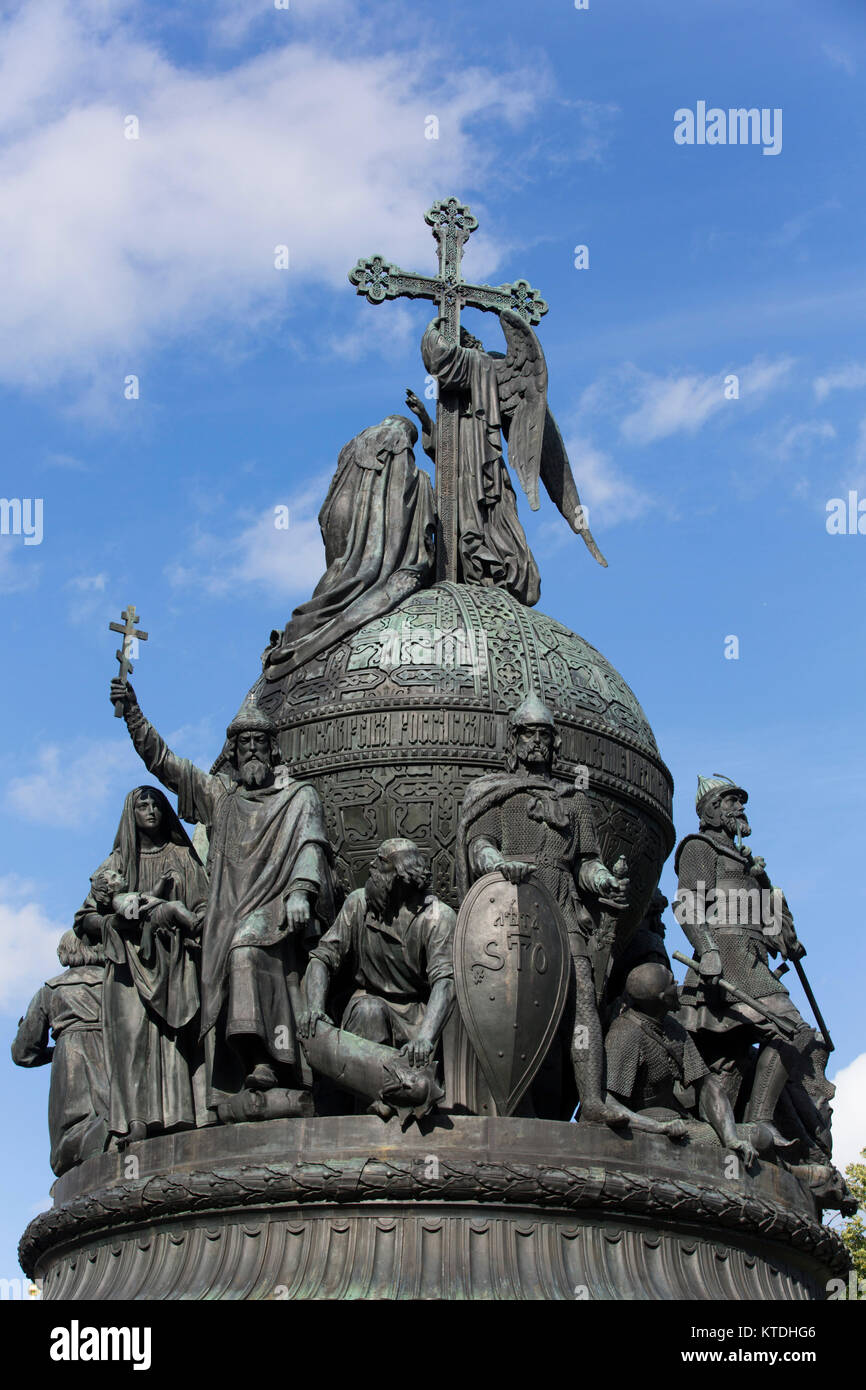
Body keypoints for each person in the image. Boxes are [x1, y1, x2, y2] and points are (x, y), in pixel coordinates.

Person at [110, 680, 335, 1109]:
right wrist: (134, 715)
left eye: (260, 743)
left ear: (274, 750)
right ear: (232, 753)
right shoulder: (221, 798)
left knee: (246, 947)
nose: (252, 751)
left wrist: (303, 891)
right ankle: (249, 1061)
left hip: (281, 910)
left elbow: (311, 845)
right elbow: (165, 764)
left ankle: (271, 1059)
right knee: (238, 943)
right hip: (230, 914)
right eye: (244, 744)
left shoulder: (299, 798)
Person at [456, 691, 632, 1124]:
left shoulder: (575, 800)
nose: (536, 742)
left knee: (583, 1001)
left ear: (555, 743)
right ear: (513, 741)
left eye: (544, 735)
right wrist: (497, 864)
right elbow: (479, 844)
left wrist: (603, 878)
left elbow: (586, 862)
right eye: (528, 734)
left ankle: (591, 1100)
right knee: (511, 1005)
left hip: (564, 906)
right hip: (511, 908)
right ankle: (509, 1102)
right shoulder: (494, 794)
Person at [74, 785, 209, 1144]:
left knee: (173, 1041)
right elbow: (85, 918)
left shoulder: (182, 856)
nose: (150, 811)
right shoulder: (116, 862)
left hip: (175, 964)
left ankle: (181, 1117)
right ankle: (135, 1122)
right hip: (126, 969)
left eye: (156, 805)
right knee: (132, 1042)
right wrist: (114, 923)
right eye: (142, 805)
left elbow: (204, 905)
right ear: (130, 815)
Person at [262, 415, 434, 677]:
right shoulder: (397, 445)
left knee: (340, 573)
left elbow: (326, 514)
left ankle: (327, 609)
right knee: (353, 575)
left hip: (340, 521)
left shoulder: (357, 445)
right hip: (370, 547)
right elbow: (401, 500)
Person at [299, 838, 455, 1118]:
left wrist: (425, 1038)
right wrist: (314, 1007)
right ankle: (367, 1111)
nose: (370, 869)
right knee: (369, 1009)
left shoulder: (437, 917)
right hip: (368, 1006)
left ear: (398, 877)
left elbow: (445, 982)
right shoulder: (359, 904)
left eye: (378, 866)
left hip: (416, 1017)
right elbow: (322, 957)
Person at [12, 931, 109, 1175]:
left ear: (65, 953)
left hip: (70, 1061)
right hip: (114, 1054)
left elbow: (23, 1053)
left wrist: (54, 1052)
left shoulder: (51, 990)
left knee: (72, 1131)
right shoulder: (118, 983)